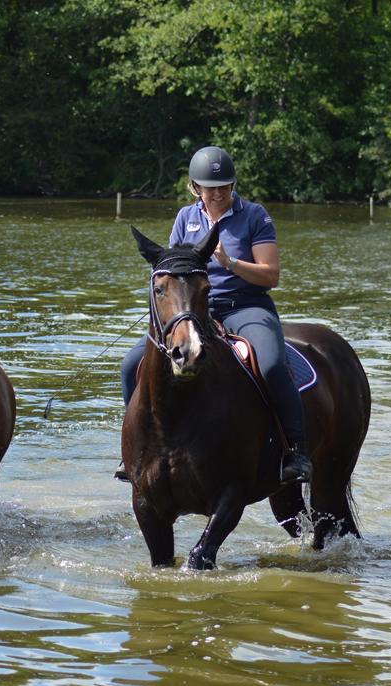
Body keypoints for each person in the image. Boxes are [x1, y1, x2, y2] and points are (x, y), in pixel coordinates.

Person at [117, 145, 312, 484]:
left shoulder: (254, 215)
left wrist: (229, 263)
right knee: (131, 364)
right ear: (196, 188)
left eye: (225, 186)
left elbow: (271, 275)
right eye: (211, 187)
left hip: (246, 306)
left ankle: (296, 450)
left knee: (269, 364)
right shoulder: (185, 218)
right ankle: (136, 449)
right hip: (194, 311)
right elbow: (172, 270)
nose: (218, 193)